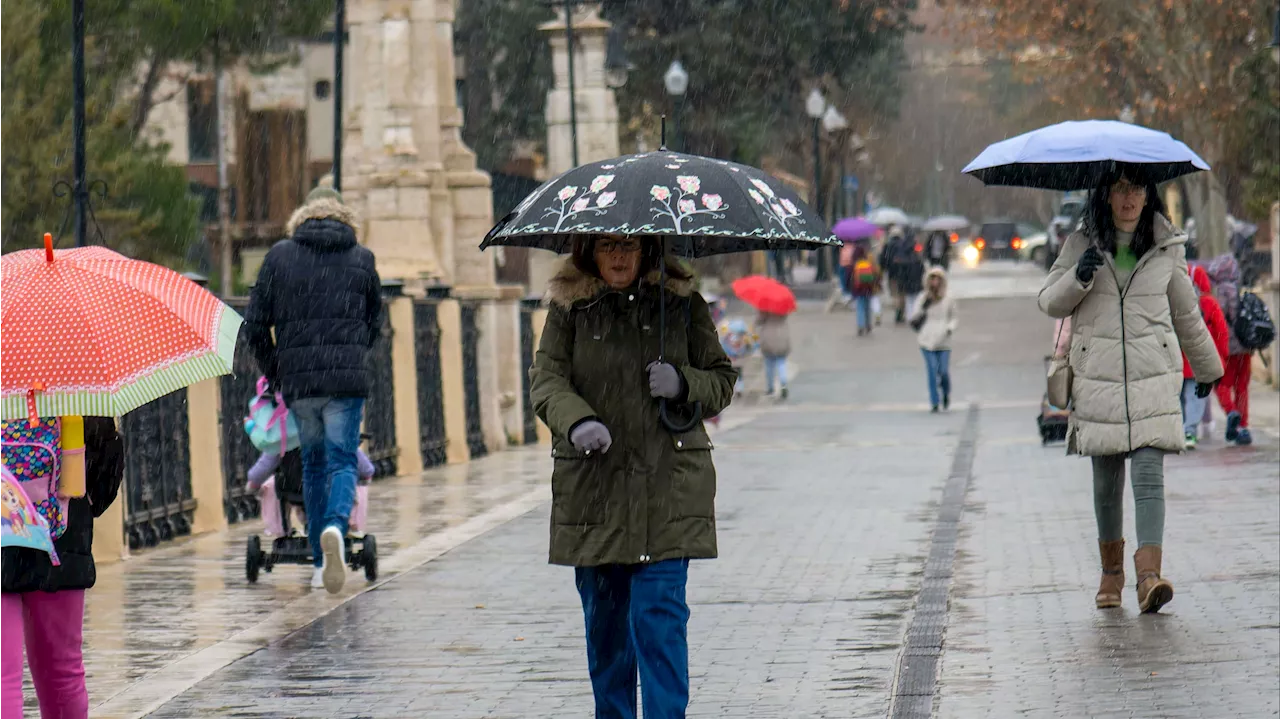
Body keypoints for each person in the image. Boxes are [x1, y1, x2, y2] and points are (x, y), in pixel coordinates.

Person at [529, 234, 735, 718]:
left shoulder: (681, 306)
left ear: (648, 249)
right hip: (594, 492)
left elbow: (722, 380)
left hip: (669, 492)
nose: (618, 256)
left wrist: (685, 383)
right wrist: (577, 420)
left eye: (629, 245)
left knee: (659, 623)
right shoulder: (570, 311)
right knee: (607, 636)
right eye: (606, 245)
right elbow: (546, 379)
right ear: (589, 251)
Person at [1039, 171, 1223, 614]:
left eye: (1137, 188)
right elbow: (1049, 301)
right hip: (1098, 377)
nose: (1129, 198)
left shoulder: (1166, 246)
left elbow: (1185, 312)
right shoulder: (1081, 244)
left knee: (1147, 473)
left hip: (1151, 376)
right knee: (1106, 482)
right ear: (1105, 194)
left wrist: (1208, 366)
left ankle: (1148, 577)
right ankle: (1111, 574)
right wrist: (1077, 278)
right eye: (1120, 188)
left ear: (1149, 194)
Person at [244, 183, 383, 594]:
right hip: (346, 380)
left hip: (299, 383)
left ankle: (323, 563)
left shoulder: (278, 257)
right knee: (343, 460)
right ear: (344, 217)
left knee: (313, 465)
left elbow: (253, 324)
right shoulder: (362, 258)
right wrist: (353, 353)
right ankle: (337, 531)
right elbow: (375, 322)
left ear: (302, 217)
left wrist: (277, 370)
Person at [0, 417, 123, 718]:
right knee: (62, 672)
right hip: (62, 534)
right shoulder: (73, 378)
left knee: (1, 677)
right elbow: (104, 474)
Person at [248, 446, 377, 539]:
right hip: (332, 488)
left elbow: (262, 469)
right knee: (351, 479)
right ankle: (349, 524)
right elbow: (366, 469)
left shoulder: (282, 435)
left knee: (271, 485)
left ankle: (281, 529)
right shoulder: (336, 427)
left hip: (295, 490)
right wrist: (366, 476)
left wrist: (253, 484)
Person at [1180, 265, 1230, 449]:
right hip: (1199, 360)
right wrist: (1221, 356)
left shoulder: (1174, 301)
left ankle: (1180, 431)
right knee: (1195, 397)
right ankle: (1189, 432)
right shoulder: (1209, 303)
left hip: (1177, 359)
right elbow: (1221, 331)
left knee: (1178, 397)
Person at [1207, 254, 1253, 446]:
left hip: (1228, 348)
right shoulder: (1241, 288)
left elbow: (1221, 319)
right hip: (1246, 346)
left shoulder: (1221, 292)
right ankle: (1243, 426)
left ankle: (1231, 411)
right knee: (1242, 387)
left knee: (1222, 385)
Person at [909, 267, 957, 412]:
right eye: (932, 278)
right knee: (932, 369)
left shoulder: (948, 298)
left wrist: (950, 328)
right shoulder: (923, 298)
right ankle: (934, 401)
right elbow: (915, 315)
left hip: (943, 340)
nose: (935, 282)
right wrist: (924, 307)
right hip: (926, 338)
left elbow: (953, 317)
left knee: (943, 370)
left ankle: (946, 392)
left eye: (937, 279)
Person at [756, 310, 791, 400]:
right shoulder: (782, 310)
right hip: (782, 336)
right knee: (781, 363)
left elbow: (758, 322)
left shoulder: (764, 310)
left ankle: (770, 388)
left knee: (769, 365)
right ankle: (783, 384)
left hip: (768, 337)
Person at [850, 240, 882, 336]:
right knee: (867, 307)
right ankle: (868, 325)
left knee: (860, 307)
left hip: (858, 289)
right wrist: (877, 284)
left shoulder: (855, 264)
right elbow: (876, 273)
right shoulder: (869, 261)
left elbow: (851, 278)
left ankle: (860, 325)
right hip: (868, 288)